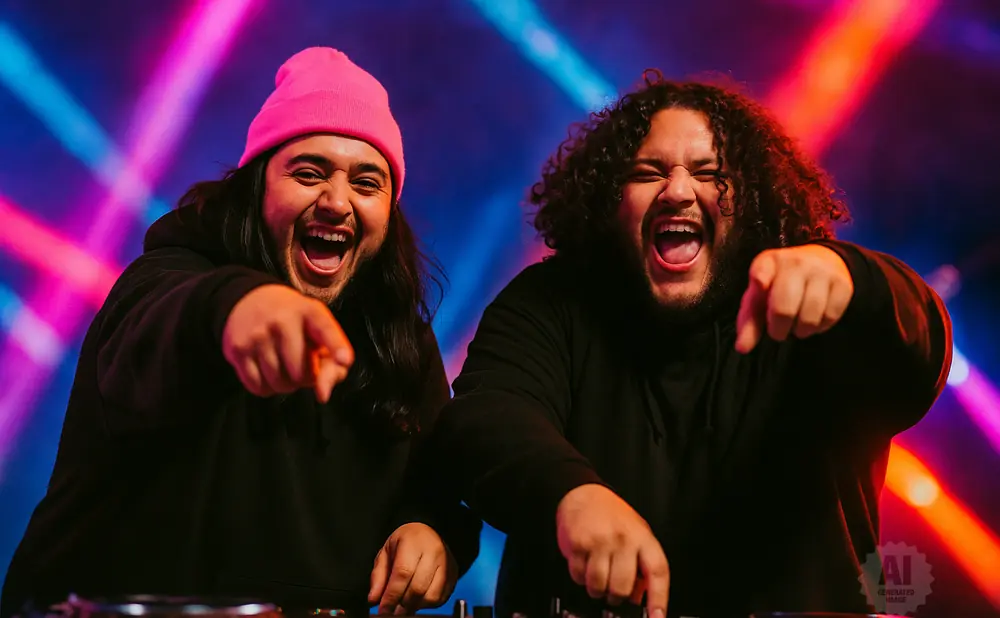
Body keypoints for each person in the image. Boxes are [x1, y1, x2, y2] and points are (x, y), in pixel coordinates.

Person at [426, 71, 952, 618]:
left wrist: (851, 278)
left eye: (710, 173)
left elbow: (921, 352)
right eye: (648, 172)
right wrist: (569, 494)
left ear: (750, 202)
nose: (678, 191)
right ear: (609, 201)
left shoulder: (814, 306)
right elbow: (486, 416)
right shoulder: (549, 301)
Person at [1, 47, 480, 618]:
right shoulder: (167, 279)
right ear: (257, 189)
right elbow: (164, 323)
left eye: (366, 182)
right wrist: (237, 309)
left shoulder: (399, 338)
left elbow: (446, 480)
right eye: (308, 173)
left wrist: (437, 530)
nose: (335, 201)